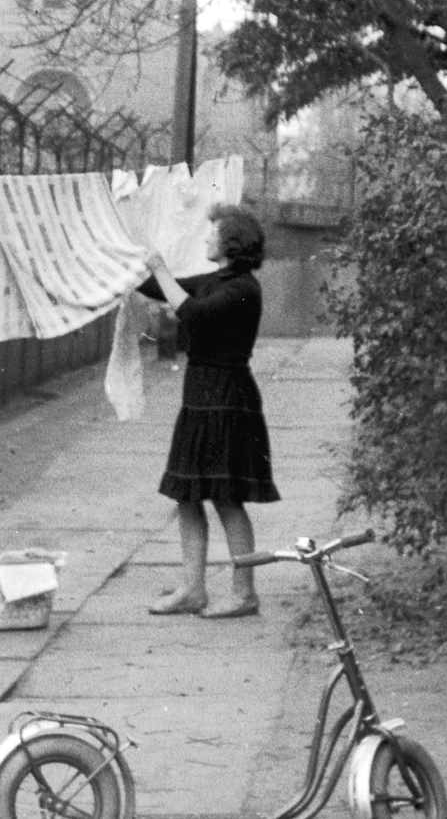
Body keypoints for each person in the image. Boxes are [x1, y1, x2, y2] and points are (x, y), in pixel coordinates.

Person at [136, 204, 277, 618]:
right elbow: (164, 289)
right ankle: (193, 590)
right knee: (187, 495)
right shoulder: (217, 281)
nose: (205, 239)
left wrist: (160, 267)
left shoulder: (243, 288)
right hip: (201, 395)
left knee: (227, 498)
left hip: (228, 397)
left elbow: (191, 311)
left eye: (212, 233)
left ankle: (244, 594)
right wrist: (124, 266)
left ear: (231, 242)